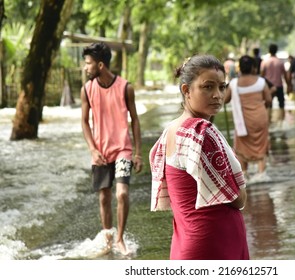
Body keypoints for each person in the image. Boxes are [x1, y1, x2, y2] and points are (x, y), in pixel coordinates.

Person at [149, 54, 249, 260]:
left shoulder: (171, 130)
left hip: (187, 240)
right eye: (207, 87)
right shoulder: (200, 131)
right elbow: (238, 199)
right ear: (186, 90)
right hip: (214, 243)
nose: (217, 95)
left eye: (222, 87)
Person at [80, 42, 143, 255]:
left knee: (122, 194)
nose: (85, 67)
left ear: (100, 65)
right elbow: (84, 122)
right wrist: (92, 150)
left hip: (122, 150)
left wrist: (138, 153)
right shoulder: (87, 89)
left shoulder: (126, 87)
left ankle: (120, 239)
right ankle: (107, 239)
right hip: (100, 152)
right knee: (104, 197)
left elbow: (135, 120)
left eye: (88, 63)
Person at [225, 55, 272, 180]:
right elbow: (268, 100)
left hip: (242, 121)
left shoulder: (234, 84)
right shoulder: (261, 82)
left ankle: (244, 175)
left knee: (242, 146)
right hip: (260, 118)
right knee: (261, 145)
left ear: (240, 68)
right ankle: (261, 174)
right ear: (253, 67)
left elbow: (225, 99)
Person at [260, 43, 291, 127]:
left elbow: (261, 76)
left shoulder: (265, 62)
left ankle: (268, 122)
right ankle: (281, 123)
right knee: (281, 104)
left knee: (268, 104)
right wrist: (288, 85)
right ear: (276, 50)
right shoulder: (280, 62)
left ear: (269, 50)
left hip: (268, 87)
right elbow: (285, 75)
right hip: (279, 86)